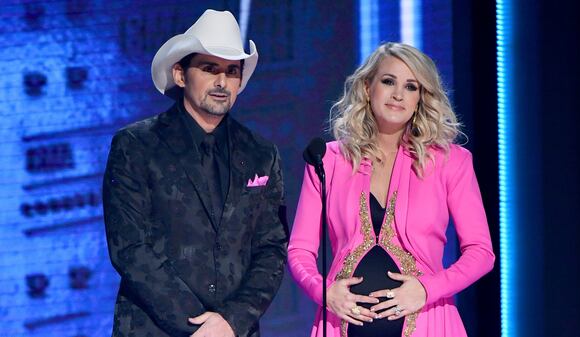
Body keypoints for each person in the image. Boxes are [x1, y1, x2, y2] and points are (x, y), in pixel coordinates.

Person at [288, 42, 495, 337]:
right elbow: (300, 250)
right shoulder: (328, 161)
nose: (399, 94)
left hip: (429, 324)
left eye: (411, 87)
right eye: (388, 81)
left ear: (421, 98)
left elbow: (481, 253)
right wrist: (324, 292)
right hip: (340, 327)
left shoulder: (451, 161)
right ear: (367, 87)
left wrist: (426, 289)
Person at [102, 9, 288, 337]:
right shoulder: (136, 145)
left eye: (232, 71)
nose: (221, 82)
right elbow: (129, 247)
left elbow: (271, 248)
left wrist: (231, 321)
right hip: (155, 329)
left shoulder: (261, 153)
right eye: (209, 68)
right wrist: (198, 325)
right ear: (180, 74)